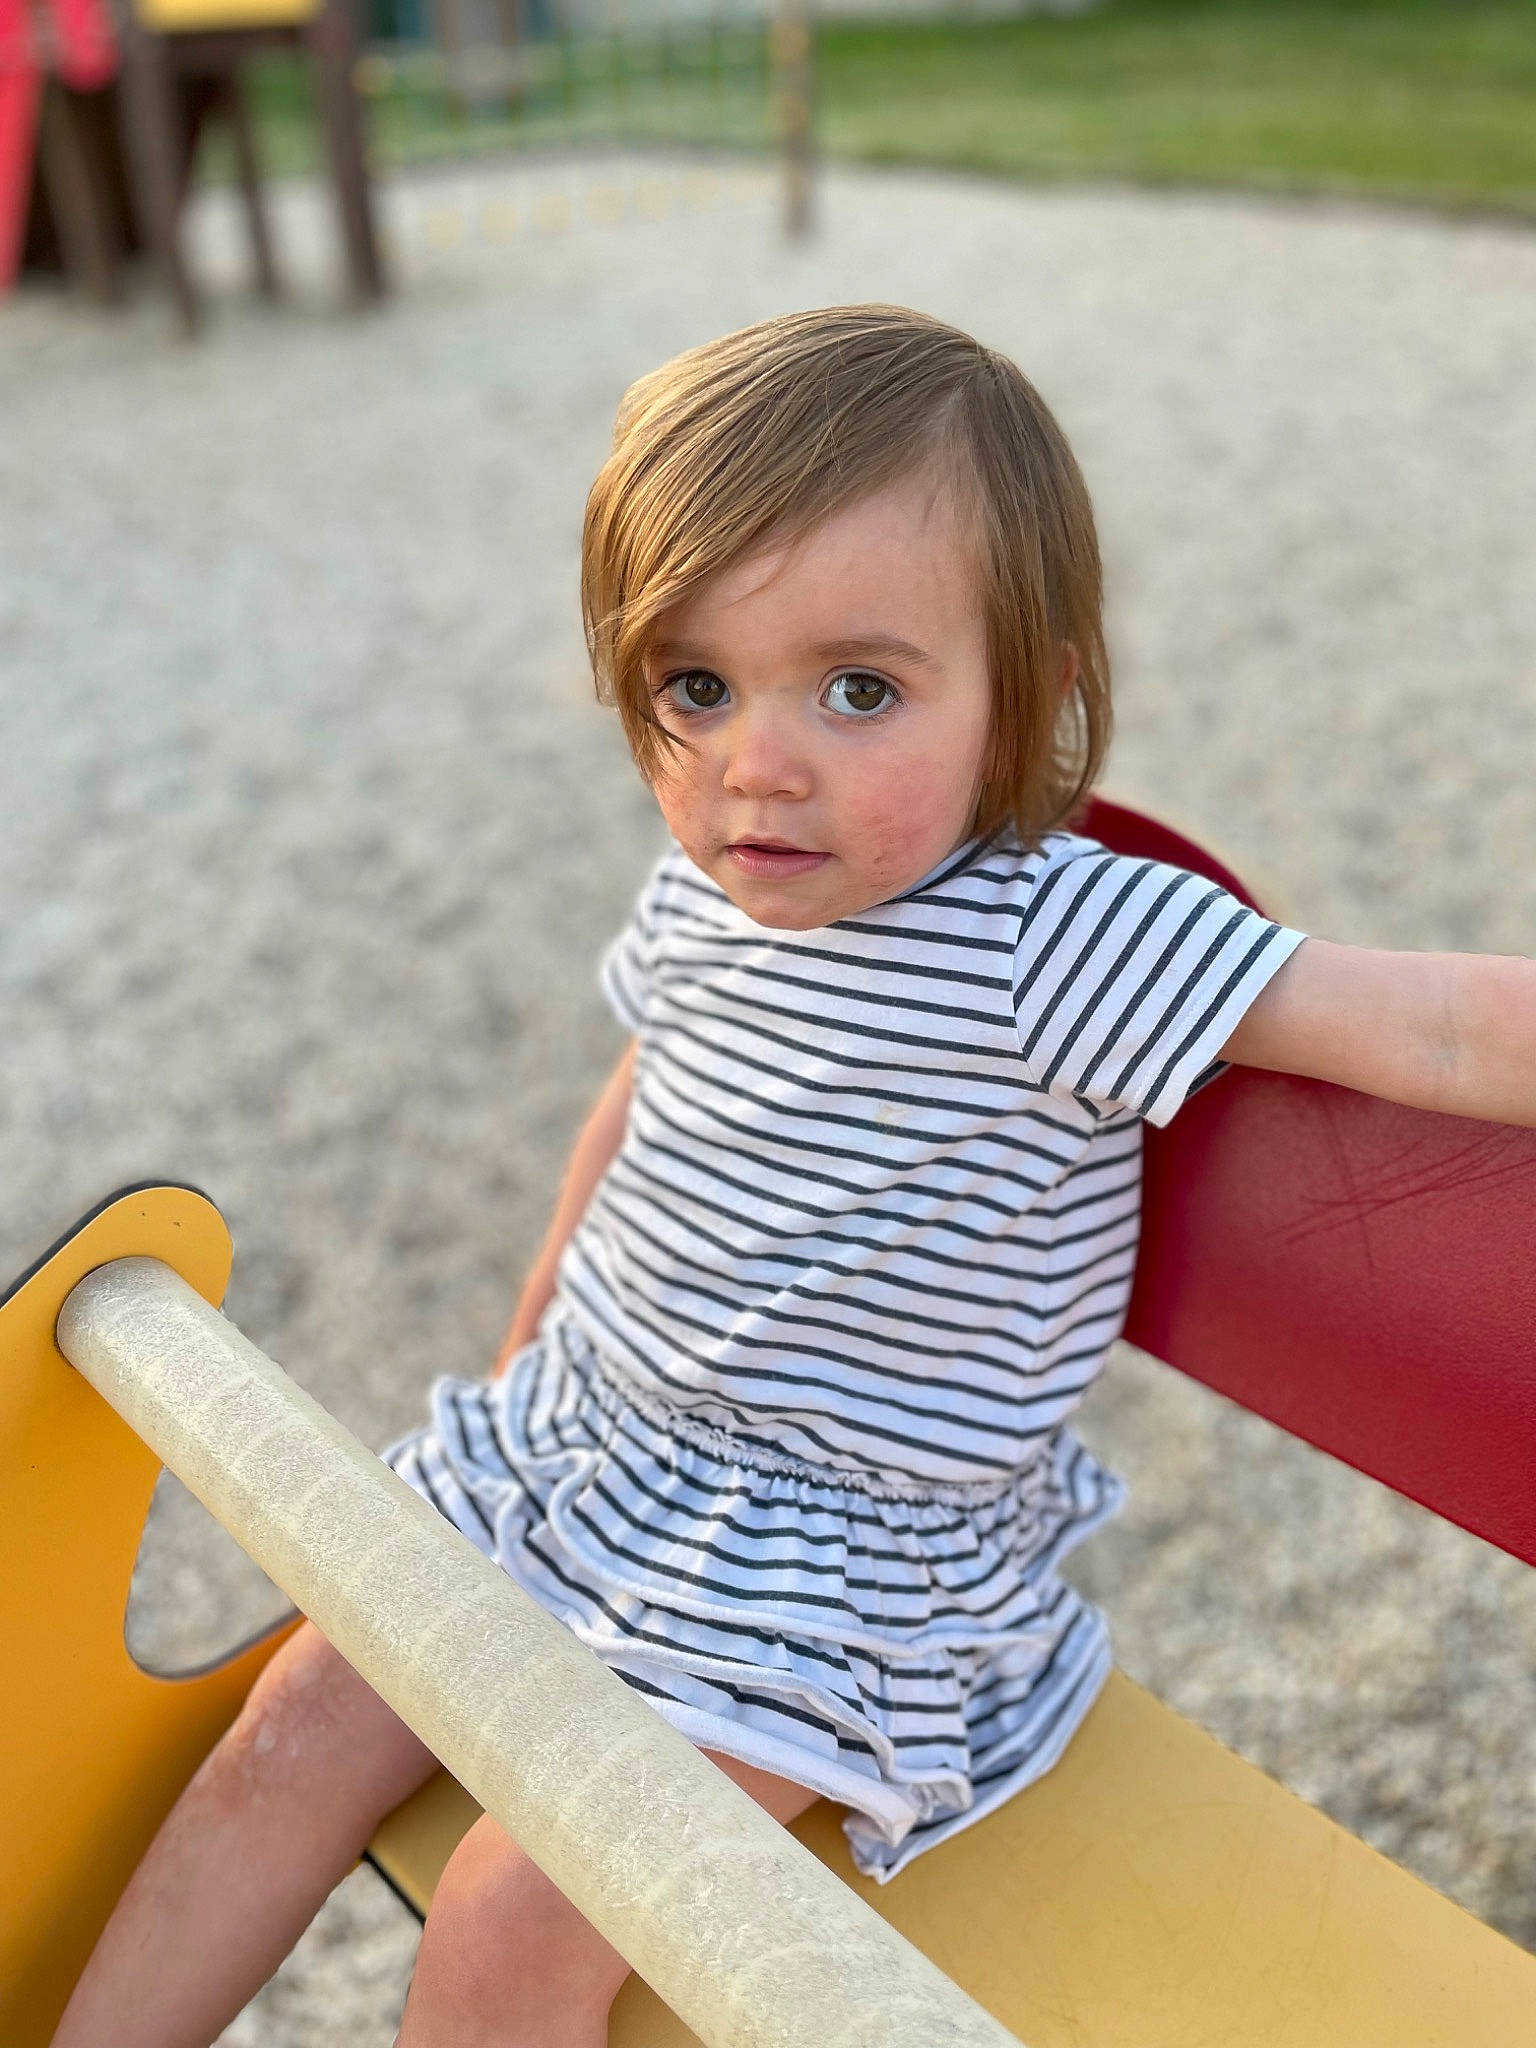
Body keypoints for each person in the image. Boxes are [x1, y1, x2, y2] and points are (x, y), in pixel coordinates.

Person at [53, 304, 1536, 2048]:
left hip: (837, 1567)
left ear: (1031, 693)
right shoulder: (720, 883)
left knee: (529, 1907)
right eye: (696, 685)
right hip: (585, 1446)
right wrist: (532, 1343)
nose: (758, 763)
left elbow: (1431, 1034)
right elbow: (639, 1100)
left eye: (859, 688)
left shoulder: (1055, 934)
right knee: (284, 1731)